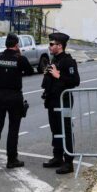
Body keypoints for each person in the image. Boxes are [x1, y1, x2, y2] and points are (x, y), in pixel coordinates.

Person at [0, 33, 34, 173]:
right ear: (17, 45)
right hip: (15, 97)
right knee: (13, 129)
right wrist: (20, 55)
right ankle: (12, 159)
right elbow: (30, 71)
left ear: (6, 44)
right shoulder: (20, 59)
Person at [41, 32, 80, 174]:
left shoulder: (68, 61)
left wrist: (59, 75)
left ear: (60, 45)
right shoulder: (54, 59)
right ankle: (57, 157)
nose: (50, 46)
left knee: (66, 130)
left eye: (52, 44)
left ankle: (68, 162)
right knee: (55, 129)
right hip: (52, 100)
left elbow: (75, 81)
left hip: (64, 100)